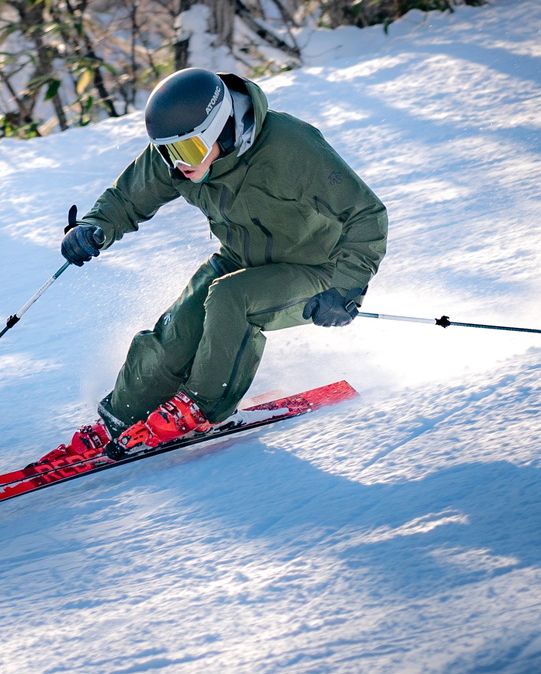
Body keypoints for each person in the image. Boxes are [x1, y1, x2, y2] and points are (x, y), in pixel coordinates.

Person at [59, 67, 389, 460]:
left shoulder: (291, 147)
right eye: (167, 151)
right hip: (240, 256)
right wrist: (94, 228)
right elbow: (128, 199)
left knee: (232, 296)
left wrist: (347, 286)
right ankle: (120, 417)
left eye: (189, 150)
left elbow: (367, 214)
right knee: (179, 326)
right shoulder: (175, 156)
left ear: (225, 129)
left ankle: (200, 406)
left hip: (318, 270)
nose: (178, 163)